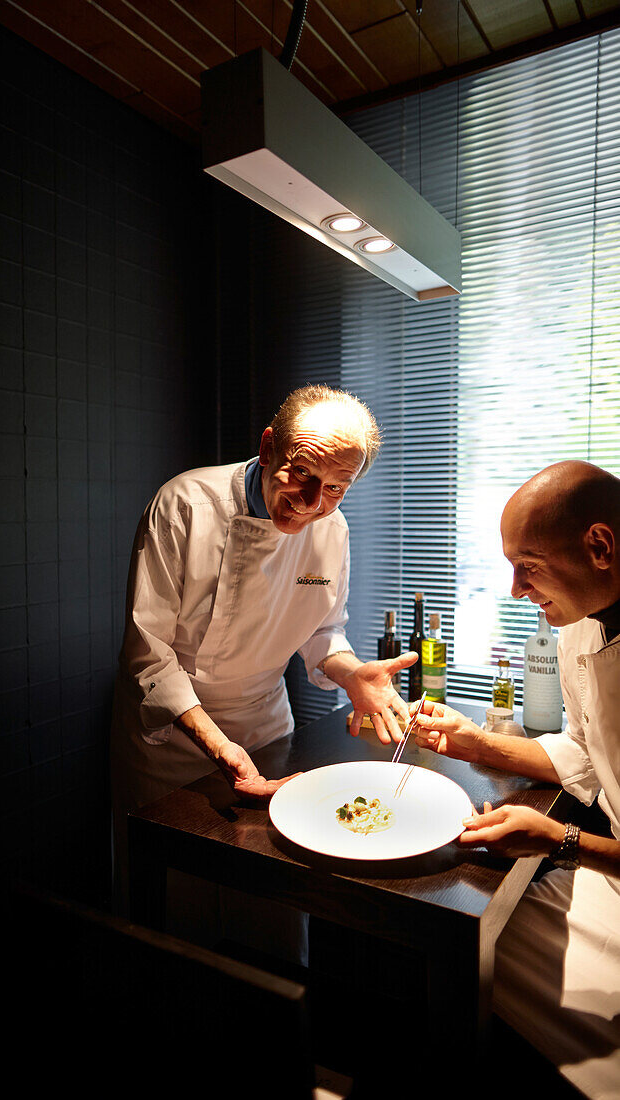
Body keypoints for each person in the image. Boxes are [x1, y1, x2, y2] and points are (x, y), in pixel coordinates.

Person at [110, 384, 417, 946]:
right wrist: (217, 745)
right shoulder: (185, 504)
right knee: (181, 913)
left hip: (265, 730)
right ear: (269, 444)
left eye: (334, 489)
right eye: (300, 474)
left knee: (271, 904)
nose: (310, 502)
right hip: (170, 744)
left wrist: (352, 675)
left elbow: (323, 630)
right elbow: (147, 652)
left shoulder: (333, 527)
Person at [412, 460, 620, 1098]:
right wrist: (479, 743)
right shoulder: (581, 620)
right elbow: (587, 751)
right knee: (462, 939)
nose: (514, 589)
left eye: (527, 565)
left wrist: (561, 841)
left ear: (600, 546)